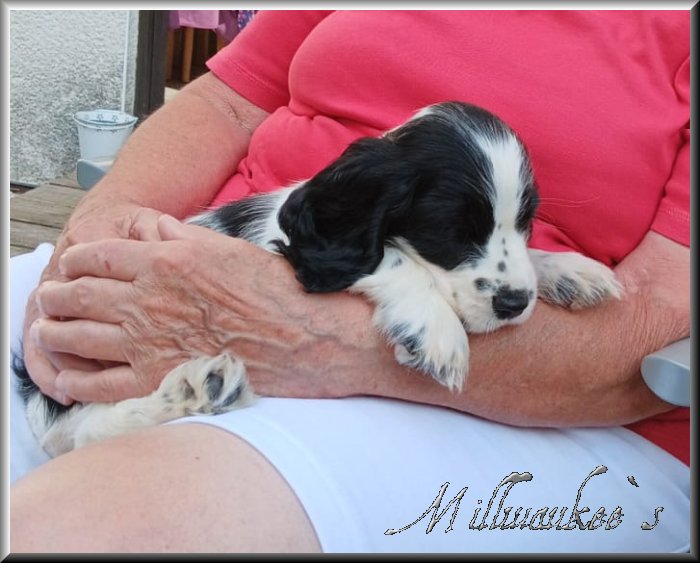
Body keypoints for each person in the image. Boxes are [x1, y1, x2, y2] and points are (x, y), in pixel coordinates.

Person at [9, 10, 689, 553]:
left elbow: (658, 313)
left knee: (71, 528)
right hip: (204, 259)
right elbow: (226, 102)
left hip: (519, 402)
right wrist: (98, 234)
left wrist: (310, 337)